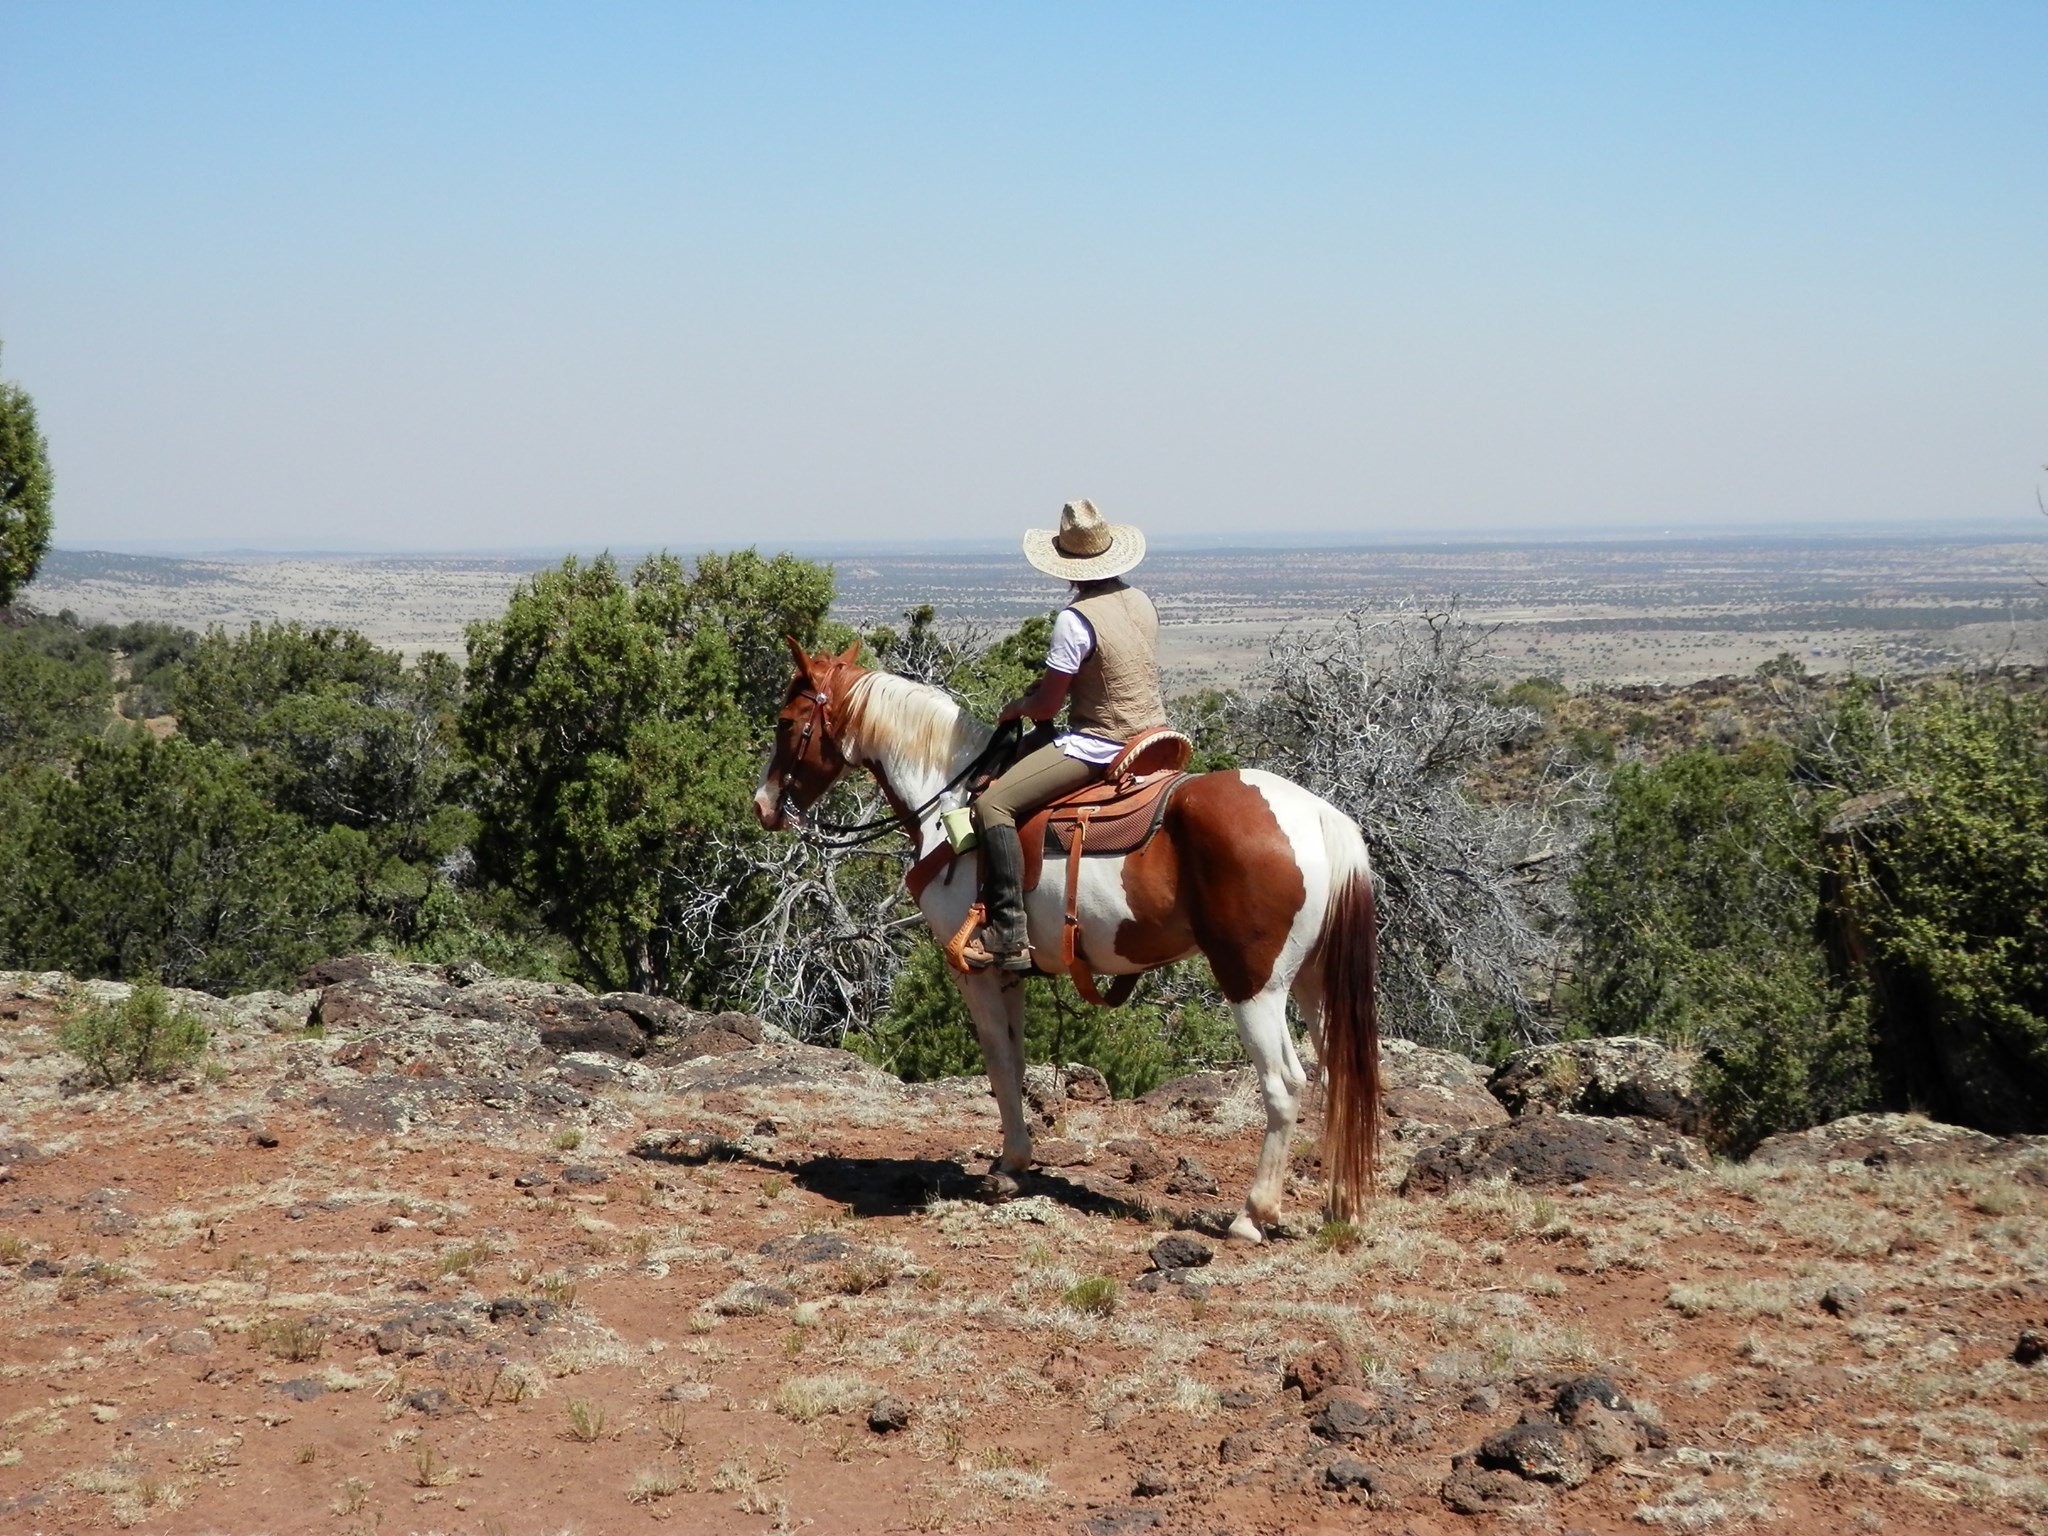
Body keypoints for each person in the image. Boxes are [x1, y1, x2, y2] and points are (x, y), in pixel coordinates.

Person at [959, 499, 1169, 971]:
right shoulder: (1140, 600)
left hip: (1101, 742)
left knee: (993, 804)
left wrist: (1017, 707)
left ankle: (1008, 933)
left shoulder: (1074, 620)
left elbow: (1048, 707)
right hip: (1153, 735)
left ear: (1066, 565)